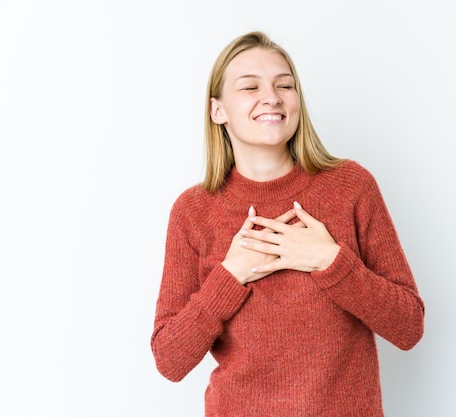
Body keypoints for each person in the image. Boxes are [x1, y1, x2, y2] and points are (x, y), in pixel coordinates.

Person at [151, 31, 425, 417]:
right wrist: (230, 276)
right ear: (218, 110)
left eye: (285, 85)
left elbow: (408, 326)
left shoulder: (350, 186)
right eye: (250, 86)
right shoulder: (193, 211)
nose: (273, 97)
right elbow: (170, 359)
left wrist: (330, 261)